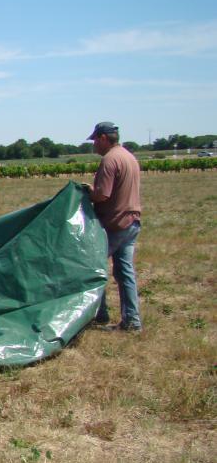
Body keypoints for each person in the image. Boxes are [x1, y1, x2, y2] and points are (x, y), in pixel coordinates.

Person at [86, 121, 143, 332]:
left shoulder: (109, 160)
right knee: (125, 272)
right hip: (132, 222)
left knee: (93, 268)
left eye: (94, 140)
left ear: (102, 138)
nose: (93, 145)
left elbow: (102, 194)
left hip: (114, 224)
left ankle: (98, 315)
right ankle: (132, 321)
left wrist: (87, 192)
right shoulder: (129, 156)